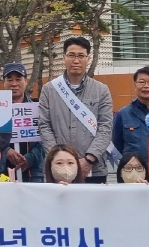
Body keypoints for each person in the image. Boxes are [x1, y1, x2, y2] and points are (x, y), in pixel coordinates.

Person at [38, 37, 114, 184]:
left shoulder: (101, 90)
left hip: (93, 168)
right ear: (64, 58)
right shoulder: (49, 89)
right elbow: (44, 125)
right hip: (58, 169)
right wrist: (59, 158)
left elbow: (106, 127)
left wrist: (89, 159)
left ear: (88, 59)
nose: (76, 60)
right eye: (71, 55)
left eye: (81, 56)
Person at [2, 62, 44, 182]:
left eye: (18, 79)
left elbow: (46, 137)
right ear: (4, 82)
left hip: (33, 172)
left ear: (25, 81)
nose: (14, 84)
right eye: (9, 79)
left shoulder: (38, 108)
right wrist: (5, 150)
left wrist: (30, 158)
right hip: (2, 170)